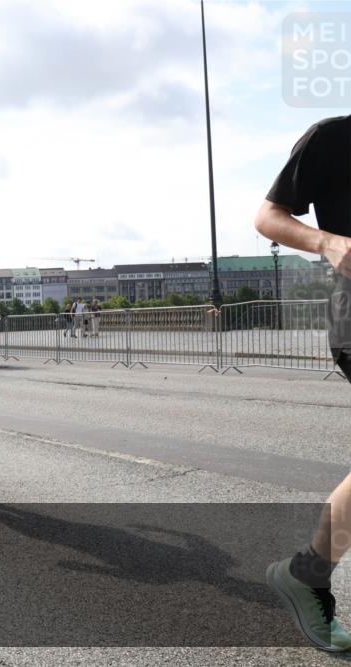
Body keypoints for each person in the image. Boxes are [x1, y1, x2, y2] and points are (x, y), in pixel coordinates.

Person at [257, 113, 350, 652]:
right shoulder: (334, 137)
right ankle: (308, 574)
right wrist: (327, 242)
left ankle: (308, 574)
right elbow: (269, 216)